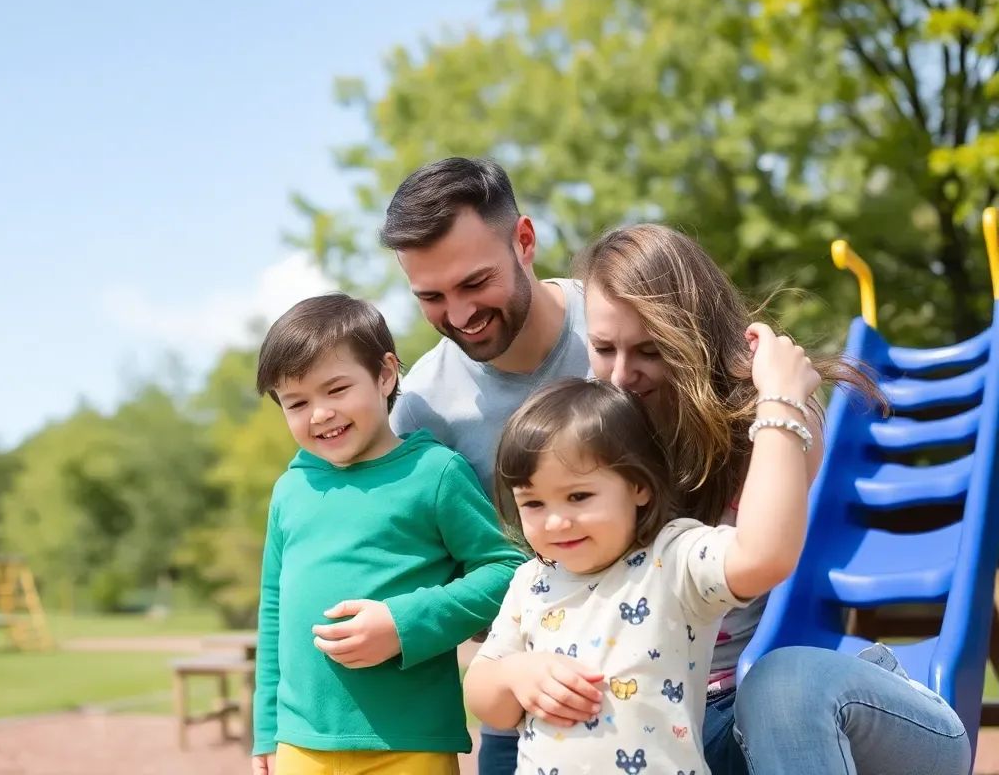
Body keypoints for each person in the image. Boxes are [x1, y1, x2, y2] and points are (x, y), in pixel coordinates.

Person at [577, 223, 972, 774]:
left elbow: (763, 557)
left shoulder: (766, 421)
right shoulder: (593, 441)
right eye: (603, 348)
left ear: (695, 335)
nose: (621, 375)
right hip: (692, 727)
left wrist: (780, 397)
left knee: (776, 685)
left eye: (650, 349)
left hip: (828, 713)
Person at [465, 342, 816, 772]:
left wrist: (780, 401)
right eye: (533, 504)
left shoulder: (673, 560)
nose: (556, 522)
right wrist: (515, 675)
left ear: (639, 487)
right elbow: (485, 699)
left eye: (578, 496)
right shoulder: (531, 582)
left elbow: (765, 556)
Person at [250, 292, 524, 775]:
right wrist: (266, 729)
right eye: (296, 401)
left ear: (385, 374)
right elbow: (273, 611)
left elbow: (508, 571)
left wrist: (405, 623)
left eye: (336, 389)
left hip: (410, 743)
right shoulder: (289, 490)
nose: (319, 414)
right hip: (300, 745)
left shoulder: (435, 472)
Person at [382, 157, 592, 774]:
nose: (460, 313)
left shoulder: (617, 325)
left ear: (523, 242)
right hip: (525, 698)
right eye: (431, 297)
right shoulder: (422, 410)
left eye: (476, 283)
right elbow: (434, 575)